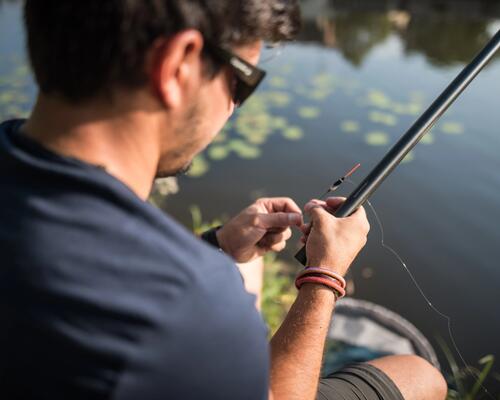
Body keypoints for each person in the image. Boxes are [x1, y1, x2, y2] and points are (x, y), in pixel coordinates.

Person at [0, 1, 448, 399]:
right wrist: (324, 275)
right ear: (178, 64)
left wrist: (215, 244)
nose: (234, 107)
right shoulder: (186, 298)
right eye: (242, 82)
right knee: (419, 377)